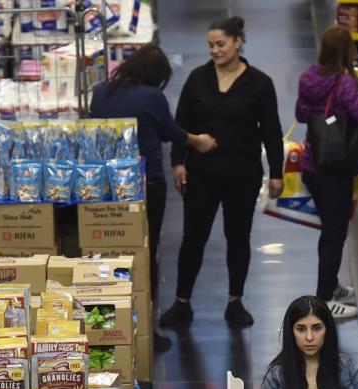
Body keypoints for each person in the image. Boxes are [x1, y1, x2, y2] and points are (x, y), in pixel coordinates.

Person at [89, 44, 219, 353]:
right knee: (145, 253)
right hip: (145, 184)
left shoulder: (99, 92)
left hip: (104, 186)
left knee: (106, 255)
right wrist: (198, 140)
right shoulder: (152, 96)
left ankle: (105, 329)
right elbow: (169, 130)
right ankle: (146, 328)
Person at [158, 16, 285, 330]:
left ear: (238, 42)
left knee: (238, 238)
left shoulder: (259, 83)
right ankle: (182, 302)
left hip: (243, 174)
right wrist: (178, 161)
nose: (214, 50)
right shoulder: (197, 79)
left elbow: (271, 130)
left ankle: (235, 301)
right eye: (210, 45)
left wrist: (277, 173)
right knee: (193, 238)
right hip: (201, 174)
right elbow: (181, 123)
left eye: (220, 44)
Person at [294, 27, 358, 321]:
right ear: (347, 50)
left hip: (314, 163)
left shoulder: (308, 77)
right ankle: (324, 300)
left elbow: (302, 114)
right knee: (334, 233)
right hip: (336, 169)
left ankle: (331, 286)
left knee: (330, 228)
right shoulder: (344, 83)